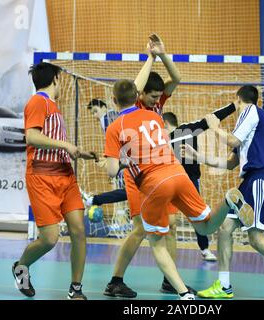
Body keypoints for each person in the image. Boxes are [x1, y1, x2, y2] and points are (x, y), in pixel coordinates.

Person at [104, 79, 239, 300]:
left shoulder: (114, 127)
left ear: (113, 100)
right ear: (138, 96)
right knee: (205, 227)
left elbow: (111, 171)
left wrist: (120, 159)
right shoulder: (155, 117)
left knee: (156, 241)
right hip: (178, 173)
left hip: (153, 182)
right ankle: (227, 201)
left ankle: (184, 294)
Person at [182, 85, 264, 300]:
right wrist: (198, 156)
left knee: (256, 238)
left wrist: (215, 126)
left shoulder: (251, 111)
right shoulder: (246, 127)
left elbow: (232, 140)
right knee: (225, 228)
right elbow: (228, 164)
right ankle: (224, 286)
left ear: (238, 100)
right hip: (248, 181)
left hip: (260, 180)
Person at [102, 33, 194, 298]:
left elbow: (176, 79)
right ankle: (115, 280)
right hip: (139, 178)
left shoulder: (157, 105)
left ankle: (170, 280)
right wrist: (150, 58)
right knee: (141, 229)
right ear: (140, 95)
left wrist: (163, 53)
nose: (156, 99)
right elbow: (134, 83)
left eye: (157, 96)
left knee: (173, 224)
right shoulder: (134, 106)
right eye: (151, 96)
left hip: (162, 173)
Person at [12, 62, 95, 300]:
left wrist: (77, 151)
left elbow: (56, 143)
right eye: (62, 80)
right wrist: (66, 145)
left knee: (79, 231)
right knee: (50, 239)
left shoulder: (54, 107)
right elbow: (32, 136)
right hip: (43, 176)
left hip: (65, 175)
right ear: (56, 79)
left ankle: (76, 288)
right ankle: (21, 266)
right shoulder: (38, 101)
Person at [163, 107, 237, 261]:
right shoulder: (162, 141)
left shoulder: (187, 130)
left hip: (189, 183)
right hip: (168, 182)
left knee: (197, 217)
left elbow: (210, 119)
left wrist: (233, 106)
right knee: (168, 221)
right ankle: (161, 247)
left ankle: (204, 248)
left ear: (164, 124)